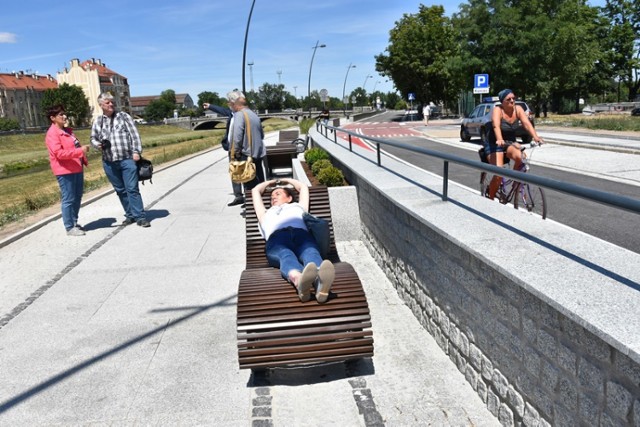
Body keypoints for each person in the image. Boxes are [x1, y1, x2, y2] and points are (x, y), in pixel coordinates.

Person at [252, 178, 335, 303]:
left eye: (278, 194)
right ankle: (299, 280)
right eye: (271, 196)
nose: (273, 197)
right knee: (286, 255)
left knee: (310, 252)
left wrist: (285, 180)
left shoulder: (299, 207)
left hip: (301, 235)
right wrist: (271, 182)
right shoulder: (265, 213)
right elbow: (255, 190)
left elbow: (302, 187)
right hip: (277, 239)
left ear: (289, 198)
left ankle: (320, 282)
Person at [91, 92, 150, 227]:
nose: (111, 104)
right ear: (101, 105)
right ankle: (130, 215)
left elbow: (134, 135)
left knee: (132, 188)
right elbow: (93, 138)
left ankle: (140, 216)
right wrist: (98, 145)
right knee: (120, 190)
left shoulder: (124, 117)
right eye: (107, 102)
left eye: (112, 102)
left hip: (127, 159)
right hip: (109, 161)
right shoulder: (98, 121)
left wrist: (136, 152)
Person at [485, 89, 543, 199]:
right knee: (498, 173)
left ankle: (515, 181)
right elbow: (496, 126)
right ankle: (490, 198)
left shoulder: (518, 109)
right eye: (509, 99)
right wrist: (499, 139)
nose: (512, 100)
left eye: (513, 98)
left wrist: (536, 137)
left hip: (510, 141)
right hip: (495, 142)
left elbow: (526, 123)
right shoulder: (498, 110)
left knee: (521, 158)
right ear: (503, 101)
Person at [44, 104, 90, 236]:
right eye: (61, 115)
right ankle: (69, 227)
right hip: (64, 171)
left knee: (77, 197)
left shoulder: (68, 131)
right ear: (53, 118)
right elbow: (59, 153)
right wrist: (79, 151)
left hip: (76, 168)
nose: (64, 116)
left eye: (65, 114)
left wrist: (82, 155)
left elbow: (74, 146)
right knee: (69, 198)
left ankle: (74, 223)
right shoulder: (52, 134)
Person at [203, 101, 244, 206]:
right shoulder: (232, 114)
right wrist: (210, 106)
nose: (229, 106)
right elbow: (222, 110)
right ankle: (238, 196)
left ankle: (250, 197)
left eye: (231, 104)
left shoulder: (243, 115)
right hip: (232, 149)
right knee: (234, 172)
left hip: (242, 149)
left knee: (245, 172)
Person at [227, 90, 266, 191]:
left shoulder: (240, 115)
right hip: (258, 153)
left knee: (249, 184)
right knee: (259, 181)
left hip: (247, 155)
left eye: (229, 103)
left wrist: (235, 153)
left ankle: (251, 203)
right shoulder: (253, 115)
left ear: (233, 103)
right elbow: (262, 135)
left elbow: (237, 136)